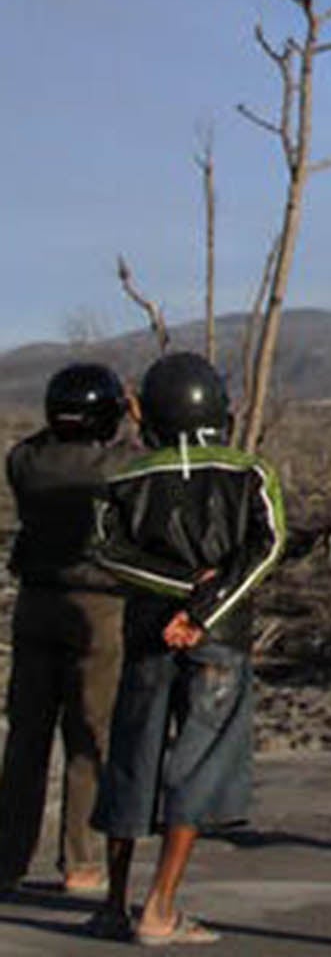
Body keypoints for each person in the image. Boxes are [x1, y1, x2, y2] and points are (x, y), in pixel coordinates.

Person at [87, 350, 284, 945]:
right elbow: (267, 549)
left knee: (131, 760)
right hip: (219, 641)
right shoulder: (249, 473)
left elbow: (107, 551)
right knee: (198, 770)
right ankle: (161, 906)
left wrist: (175, 598)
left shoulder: (124, 479)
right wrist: (202, 610)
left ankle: (114, 903)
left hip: (149, 635)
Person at [0, 363, 135, 897]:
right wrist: (135, 417)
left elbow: (35, 442)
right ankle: (79, 862)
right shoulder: (119, 465)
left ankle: (7, 858)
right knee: (89, 737)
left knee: (26, 739)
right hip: (100, 609)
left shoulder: (27, 462)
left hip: (36, 604)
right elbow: (148, 459)